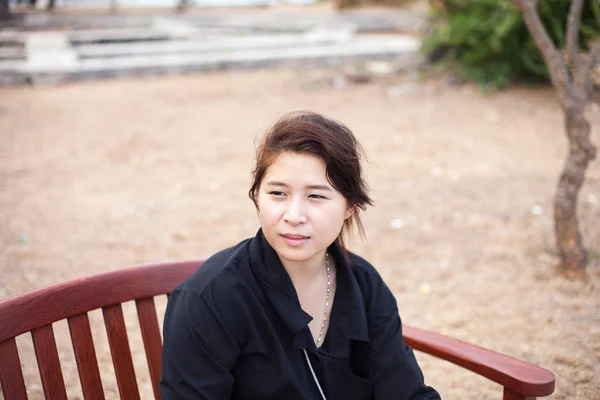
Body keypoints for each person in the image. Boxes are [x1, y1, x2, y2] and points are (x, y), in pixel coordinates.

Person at [160, 111, 441, 400]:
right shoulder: (209, 298)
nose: (294, 216)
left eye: (316, 196)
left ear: (350, 207)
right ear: (256, 196)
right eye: (278, 193)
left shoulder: (364, 285)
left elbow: (406, 392)